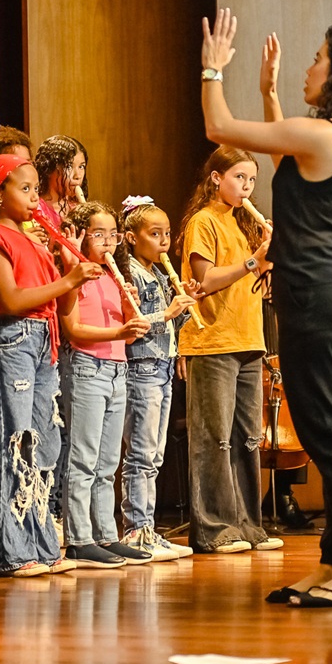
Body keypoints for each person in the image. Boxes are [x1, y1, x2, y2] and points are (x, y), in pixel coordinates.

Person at [201, 9, 332, 606]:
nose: (308, 69)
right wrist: (268, 93)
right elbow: (286, 160)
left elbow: (218, 127)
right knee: (329, 435)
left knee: (330, 440)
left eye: (318, 60)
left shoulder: (323, 136)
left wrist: (213, 68)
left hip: (320, 300)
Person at [0, 154, 101, 576]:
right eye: (24, 189)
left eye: (34, 190)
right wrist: (66, 280)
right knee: (11, 440)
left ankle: (41, 544)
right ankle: (8, 552)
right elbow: (10, 300)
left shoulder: (37, 240)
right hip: (12, 339)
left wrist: (70, 270)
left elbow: (61, 303)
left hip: (44, 340)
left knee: (43, 444)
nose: (33, 198)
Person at [178, 146, 281, 555]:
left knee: (247, 439)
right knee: (214, 439)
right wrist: (254, 262)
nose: (246, 187)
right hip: (213, 342)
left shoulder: (243, 225)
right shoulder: (203, 221)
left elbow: (254, 285)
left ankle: (248, 525)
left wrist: (270, 262)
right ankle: (214, 529)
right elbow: (205, 280)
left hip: (249, 341)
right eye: (239, 177)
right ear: (216, 178)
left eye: (252, 180)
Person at [59, 201, 152, 568]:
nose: (109, 242)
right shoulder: (76, 276)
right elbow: (73, 329)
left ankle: (106, 535)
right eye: (99, 234)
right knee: (83, 458)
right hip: (87, 367)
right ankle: (79, 539)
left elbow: (126, 331)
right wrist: (119, 331)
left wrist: (130, 307)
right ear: (82, 236)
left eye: (113, 234)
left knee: (108, 462)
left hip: (117, 369)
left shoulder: (113, 275)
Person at [118, 195, 196, 561]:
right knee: (141, 454)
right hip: (141, 368)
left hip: (162, 366)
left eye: (166, 234)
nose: (163, 241)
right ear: (132, 237)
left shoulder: (162, 275)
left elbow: (170, 326)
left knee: (155, 454)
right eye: (154, 234)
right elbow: (133, 326)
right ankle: (136, 530)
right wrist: (167, 313)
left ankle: (147, 528)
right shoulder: (129, 275)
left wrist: (185, 305)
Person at [33, 135, 86, 229]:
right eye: (69, 167)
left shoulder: (77, 207)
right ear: (49, 169)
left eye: (81, 167)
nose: (77, 175)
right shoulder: (36, 209)